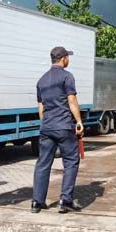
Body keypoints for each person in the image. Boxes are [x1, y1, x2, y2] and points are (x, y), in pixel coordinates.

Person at [32, 46, 85, 214]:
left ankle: (37, 202)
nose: (68, 59)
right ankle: (65, 200)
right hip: (64, 127)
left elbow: (41, 108)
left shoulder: (41, 80)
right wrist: (79, 121)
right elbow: (72, 101)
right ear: (63, 59)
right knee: (71, 161)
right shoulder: (67, 77)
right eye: (68, 57)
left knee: (43, 163)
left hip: (47, 127)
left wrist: (47, 123)